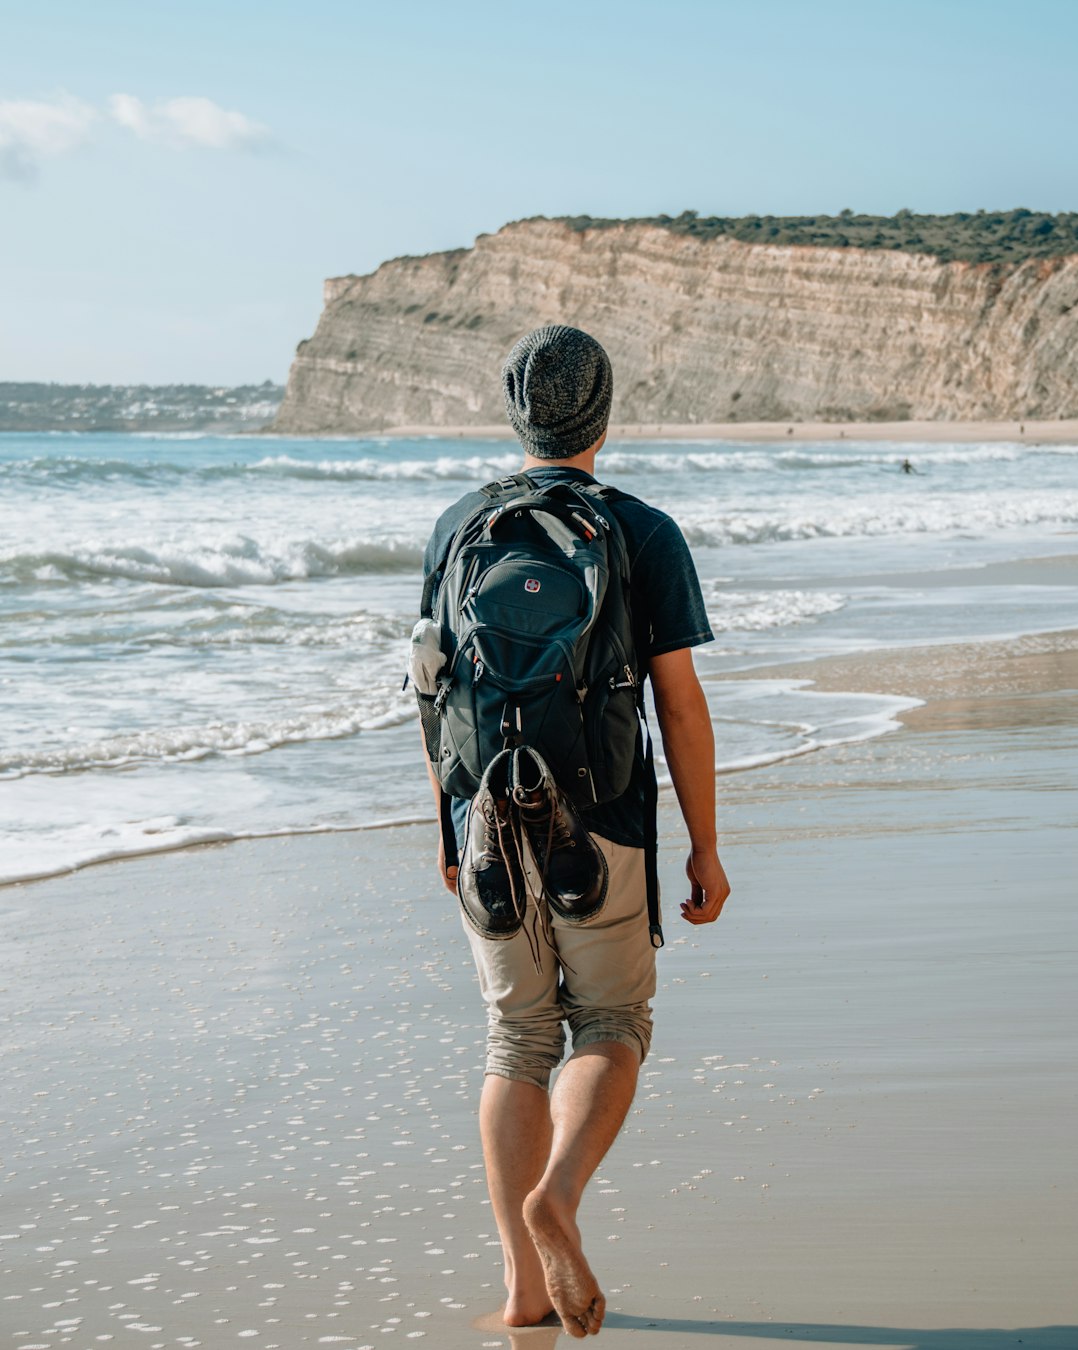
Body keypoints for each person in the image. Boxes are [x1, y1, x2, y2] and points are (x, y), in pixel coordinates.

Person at [419, 325, 731, 1338]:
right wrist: (705, 845)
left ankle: (519, 1289)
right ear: (604, 417)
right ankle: (557, 1194)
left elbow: (432, 690)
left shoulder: (459, 527)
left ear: (516, 416)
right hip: (598, 815)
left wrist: (446, 825)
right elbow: (678, 706)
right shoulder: (641, 532)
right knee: (611, 1024)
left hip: (482, 811)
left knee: (516, 1036)